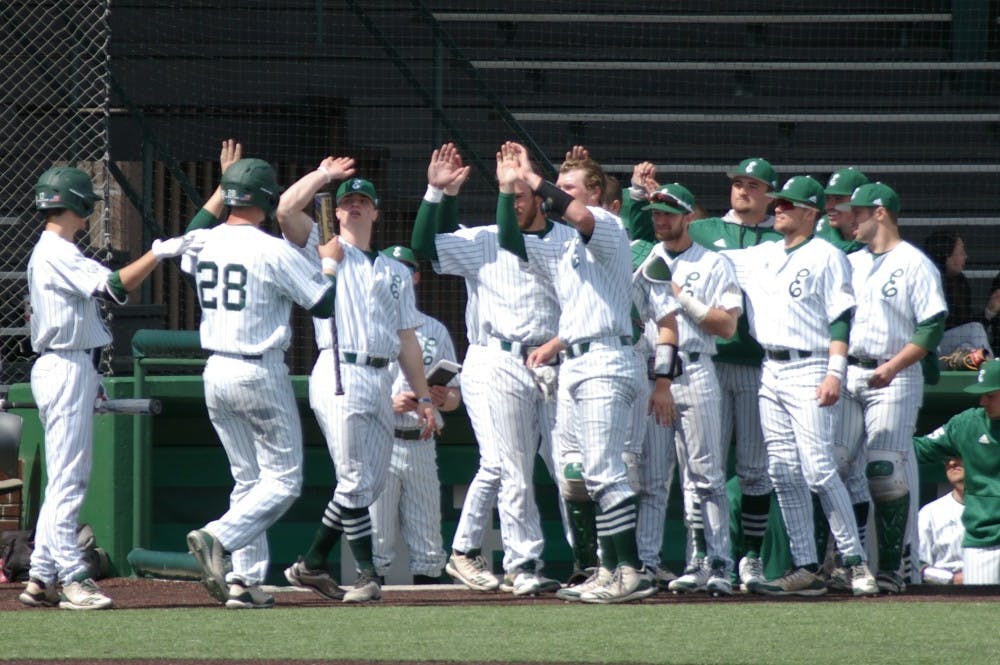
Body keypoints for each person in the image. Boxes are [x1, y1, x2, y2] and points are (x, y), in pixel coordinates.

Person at [498, 142, 678, 603]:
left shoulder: (610, 227)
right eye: (559, 185)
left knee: (604, 472)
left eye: (570, 186)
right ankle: (609, 567)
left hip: (606, 359)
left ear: (595, 192)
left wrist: (534, 180)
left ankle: (630, 572)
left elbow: (579, 215)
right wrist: (506, 189)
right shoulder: (567, 246)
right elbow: (509, 240)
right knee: (582, 474)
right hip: (577, 360)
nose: (560, 192)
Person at [19, 165, 196, 610]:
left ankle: (41, 575)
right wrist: (157, 255)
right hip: (65, 365)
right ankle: (73, 577)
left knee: (62, 480)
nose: (89, 213)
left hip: (73, 365)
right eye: (87, 205)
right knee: (68, 481)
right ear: (75, 204)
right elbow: (115, 287)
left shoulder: (54, 249)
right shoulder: (57, 250)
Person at [180, 154, 344, 609]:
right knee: (285, 481)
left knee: (248, 480)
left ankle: (242, 581)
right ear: (269, 201)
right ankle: (218, 537)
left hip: (215, 371)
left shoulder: (205, 241)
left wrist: (222, 184)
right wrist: (329, 262)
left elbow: (193, 232)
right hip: (257, 369)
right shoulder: (271, 248)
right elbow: (323, 304)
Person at [278, 165, 439, 604]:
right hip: (338, 368)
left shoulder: (394, 270)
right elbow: (286, 209)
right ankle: (368, 575)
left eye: (362, 201)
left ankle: (311, 562)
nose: (353, 205)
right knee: (353, 480)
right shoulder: (323, 246)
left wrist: (424, 395)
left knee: (369, 484)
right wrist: (321, 176)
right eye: (347, 201)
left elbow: (407, 337)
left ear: (375, 212)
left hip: (380, 375)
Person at [412, 143, 565, 596]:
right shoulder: (483, 239)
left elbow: (519, 243)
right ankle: (523, 563)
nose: (513, 201)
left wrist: (518, 180)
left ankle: (587, 562)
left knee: (564, 468)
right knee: (508, 466)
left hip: (551, 362)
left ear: (539, 196)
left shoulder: (563, 240)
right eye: (507, 196)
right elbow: (426, 248)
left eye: (521, 194)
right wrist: (438, 194)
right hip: (495, 357)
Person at [720, 175, 876, 596]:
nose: (778, 209)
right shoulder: (762, 254)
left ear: (810, 212)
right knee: (783, 471)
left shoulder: (827, 255)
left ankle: (854, 561)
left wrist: (835, 373)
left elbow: (841, 317)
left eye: (788, 205)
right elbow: (707, 256)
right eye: (778, 204)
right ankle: (805, 565)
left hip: (811, 367)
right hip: (770, 369)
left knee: (820, 470)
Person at [835, 182, 947, 594]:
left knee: (884, 471)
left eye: (859, 212)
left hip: (894, 374)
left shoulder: (914, 262)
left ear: (880, 213)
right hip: (849, 371)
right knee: (831, 463)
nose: (852, 219)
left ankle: (891, 567)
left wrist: (895, 366)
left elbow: (932, 325)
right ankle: (839, 560)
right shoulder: (852, 262)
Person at [635, 183, 743, 596]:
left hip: (696, 371)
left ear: (686, 217)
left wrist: (682, 299)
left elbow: (728, 326)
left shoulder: (714, 262)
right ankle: (646, 562)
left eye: (668, 213)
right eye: (655, 214)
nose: (660, 220)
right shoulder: (644, 258)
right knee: (651, 476)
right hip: (651, 374)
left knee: (706, 475)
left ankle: (717, 562)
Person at [685, 157, 782, 591]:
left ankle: (752, 559)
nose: (742, 190)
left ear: (770, 194)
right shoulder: (703, 231)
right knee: (700, 466)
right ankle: (702, 556)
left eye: (753, 185)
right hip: (709, 360)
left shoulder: (784, 235)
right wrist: (636, 198)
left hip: (759, 364)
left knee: (755, 470)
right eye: (738, 183)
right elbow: (655, 236)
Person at [369, 245, 461, 584]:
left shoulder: (434, 329)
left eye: (407, 269)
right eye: (395, 269)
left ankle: (430, 616)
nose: (402, 275)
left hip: (422, 442)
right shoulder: (368, 324)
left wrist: (440, 397)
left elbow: (455, 398)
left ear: (416, 277)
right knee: (377, 539)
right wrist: (387, 404)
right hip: (383, 439)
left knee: (428, 541)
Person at [913, 359, 1000, 584]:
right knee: (980, 616)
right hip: (984, 539)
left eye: (990, 395)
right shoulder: (968, 423)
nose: (982, 401)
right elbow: (921, 449)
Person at [922, 231, 992, 356]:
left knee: (968, 348)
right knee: (975, 329)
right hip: (927, 346)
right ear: (947, 257)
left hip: (951, 344)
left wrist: (989, 312)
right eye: (961, 253)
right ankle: (993, 372)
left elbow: (964, 322)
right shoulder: (928, 281)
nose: (965, 256)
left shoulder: (960, 282)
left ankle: (984, 372)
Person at [917, 458, 965, 585]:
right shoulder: (930, 513)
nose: (952, 463)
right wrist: (951, 579)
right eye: (948, 459)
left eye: (960, 456)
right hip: (945, 593)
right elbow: (918, 566)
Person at [814, 167, 868, 254]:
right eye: (827, 198)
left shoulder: (876, 240)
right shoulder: (822, 231)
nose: (828, 206)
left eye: (838, 198)